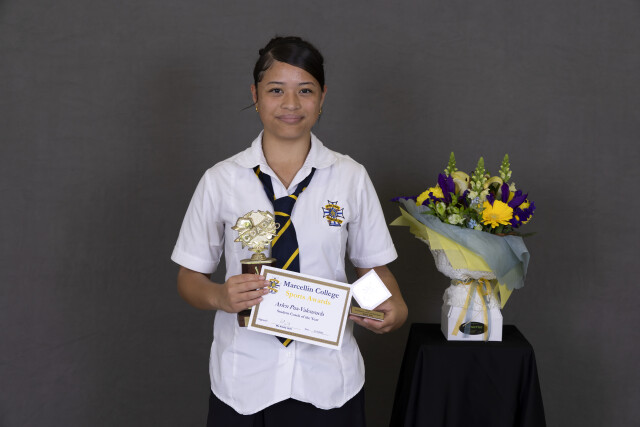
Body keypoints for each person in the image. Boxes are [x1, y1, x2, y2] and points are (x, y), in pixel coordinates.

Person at [171, 36, 408, 427]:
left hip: (330, 381)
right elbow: (189, 277)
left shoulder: (350, 177)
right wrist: (219, 296)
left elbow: (372, 269)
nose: (291, 104)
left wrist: (392, 305)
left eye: (305, 91)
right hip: (243, 383)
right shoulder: (221, 180)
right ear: (256, 95)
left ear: (323, 96)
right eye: (276, 90)